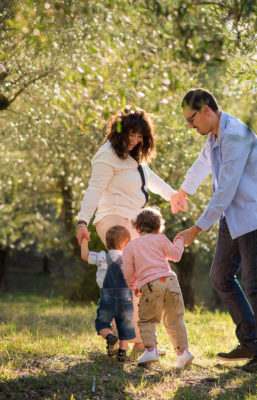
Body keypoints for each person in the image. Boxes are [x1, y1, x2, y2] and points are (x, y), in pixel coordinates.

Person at [171, 88, 257, 374]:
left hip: (253, 215)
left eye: (191, 120)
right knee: (220, 277)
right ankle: (250, 340)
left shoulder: (235, 135)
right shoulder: (213, 136)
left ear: (206, 110)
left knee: (256, 285)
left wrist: (196, 229)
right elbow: (202, 165)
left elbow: (226, 190)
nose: (190, 126)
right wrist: (182, 191)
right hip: (233, 217)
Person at [76, 107, 185, 353]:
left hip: (131, 220)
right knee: (131, 279)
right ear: (120, 130)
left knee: (135, 279)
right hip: (114, 220)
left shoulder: (134, 156)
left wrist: (173, 196)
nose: (136, 141)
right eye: (132, 135)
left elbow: (151, 178)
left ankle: (132, 340)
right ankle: (136, 341)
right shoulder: (106, 155)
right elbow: (93, 190)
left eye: (140, 137)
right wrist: (82, 221)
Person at [122, 207, 194, 368]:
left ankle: (151, 350)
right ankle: (183, 353)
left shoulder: (131, 246)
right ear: (158, 227)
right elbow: (176, 255)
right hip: (171, 282)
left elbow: (128, 272)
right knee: (175, 320)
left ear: (138, 228)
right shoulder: (160, 239)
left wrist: (133, 285)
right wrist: (180, 239)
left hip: (151, 285)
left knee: (147, 320)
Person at [81, 225, 135, 362]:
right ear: (126, 244)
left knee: (102, 323)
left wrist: (85, 239)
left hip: (107, 297)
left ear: (106, 244)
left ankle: (110, 337)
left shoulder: (101, 257)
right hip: (125, 297)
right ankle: (122, 352)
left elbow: (84, 255)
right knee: (125, 325)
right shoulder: (129, 258)